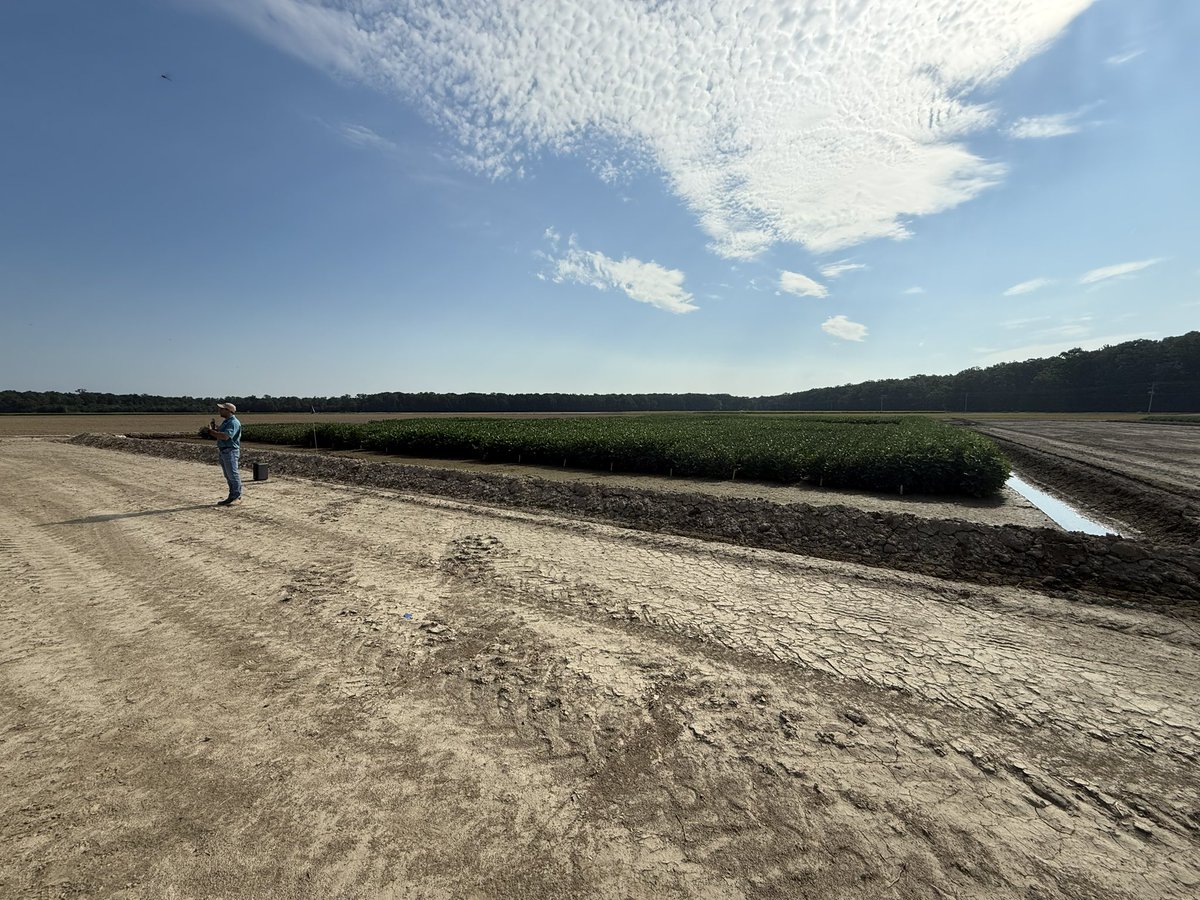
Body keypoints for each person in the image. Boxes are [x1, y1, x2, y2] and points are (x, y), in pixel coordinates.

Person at [206, 402, 243, 506]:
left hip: (230, 450)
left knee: (233, 475)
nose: (220, 410)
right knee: (229, 475)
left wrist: (211, 432)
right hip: (225, 451)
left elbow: (226, 436)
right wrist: (215, 430)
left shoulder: (233, 422)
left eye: (222, 409)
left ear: (228, 411)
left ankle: (237, 497)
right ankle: (232, 496)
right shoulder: (227, 422)